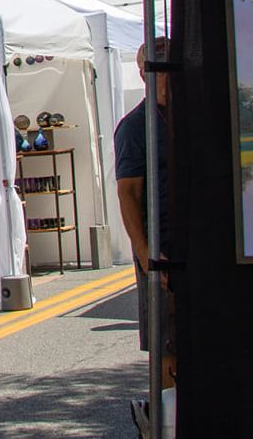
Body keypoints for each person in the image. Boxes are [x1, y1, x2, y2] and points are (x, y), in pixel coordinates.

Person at [115, 38, 176, 393]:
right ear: (143, 74)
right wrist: (145, 254)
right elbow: (129, 193)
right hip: (161, 249)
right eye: (159, 69)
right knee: (167, 343)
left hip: (197, 244)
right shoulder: (135, 127)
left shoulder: (193, 116)